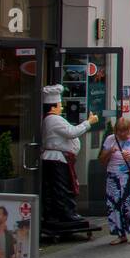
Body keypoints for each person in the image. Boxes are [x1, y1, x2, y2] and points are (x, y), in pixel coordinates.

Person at [39, 84, 97, 231]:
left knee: (58, 187)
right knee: (61, 187)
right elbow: (72, 132)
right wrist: (88, 122)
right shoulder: (53, 119)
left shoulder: (51, 119)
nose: (62, 108)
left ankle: (59, 214)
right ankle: (65, 214)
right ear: (53, 107)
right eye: (59, 105)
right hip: (57, 159)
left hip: (58, 158)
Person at [98, 116, 130, 244]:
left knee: (128, 204)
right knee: (113, 204)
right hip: (112, 175)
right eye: (120, 131)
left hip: (127, 175)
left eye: (125, 131)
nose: (122, 134)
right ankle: (120, 234)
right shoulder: (110, 140)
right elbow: (102, 160)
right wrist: (109, 151)